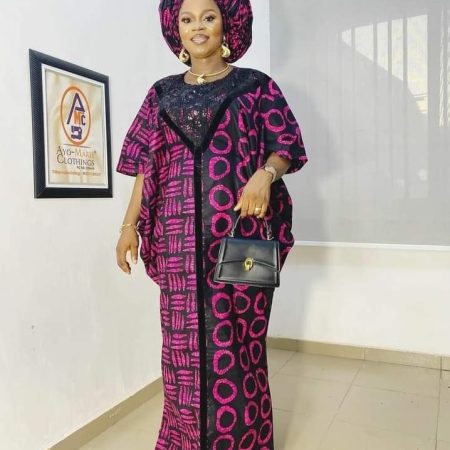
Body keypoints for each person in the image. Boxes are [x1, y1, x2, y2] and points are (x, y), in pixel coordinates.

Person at [115, 0, 308, 448]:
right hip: (177, 245)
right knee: (181, 351)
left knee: (240, 345)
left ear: (228, 24)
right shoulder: (161, 94)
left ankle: (243, 440)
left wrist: (265, 174)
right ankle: (184, 440)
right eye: (187, 19)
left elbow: (286, 145)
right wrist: (128, 227)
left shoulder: (255, 87)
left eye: (208, 16)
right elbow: (145, 166)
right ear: (175, 28)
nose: (197, 26)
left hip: (242, 239)